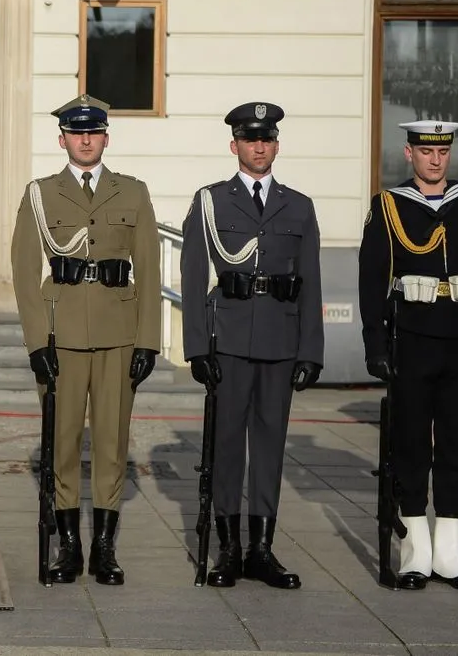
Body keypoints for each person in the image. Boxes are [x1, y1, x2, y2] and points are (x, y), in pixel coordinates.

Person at [10, 95, 160, 586]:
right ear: (63, 141)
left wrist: (148, 341)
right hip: (62, 334)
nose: (86, 140)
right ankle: (70, 547)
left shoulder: (132, 192)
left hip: (119, 335)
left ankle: (104, 549)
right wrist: (37, 343)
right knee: (63, 442)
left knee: (113, 442)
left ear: (106, 139)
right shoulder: (40, 194)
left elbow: (150, 270)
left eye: (93, 132)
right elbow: (24, 272)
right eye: (77, 133)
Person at [359, 119, 458, 591]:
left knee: (453, 447)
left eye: (442, 152)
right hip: (412, 339)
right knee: (410, 446)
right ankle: (416, 551)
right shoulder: (389, 206)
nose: (435, 160)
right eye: (426, 152)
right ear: (409, 153)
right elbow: (371, 280)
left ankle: (449, 551)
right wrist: (375, 344)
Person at [179, 102, 324, 590]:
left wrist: (311, 350)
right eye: (250, 139)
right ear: (234, 145)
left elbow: (311, 283)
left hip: (281, 341)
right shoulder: (210, 201)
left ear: (276, 146)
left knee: (269, 446)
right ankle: (229, 549)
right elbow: (193, 276)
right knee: (225, 445)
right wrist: (197, 347)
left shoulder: (298, 205)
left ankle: (261, 550)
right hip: (229, 339)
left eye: (266, 140)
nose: (259, 147)